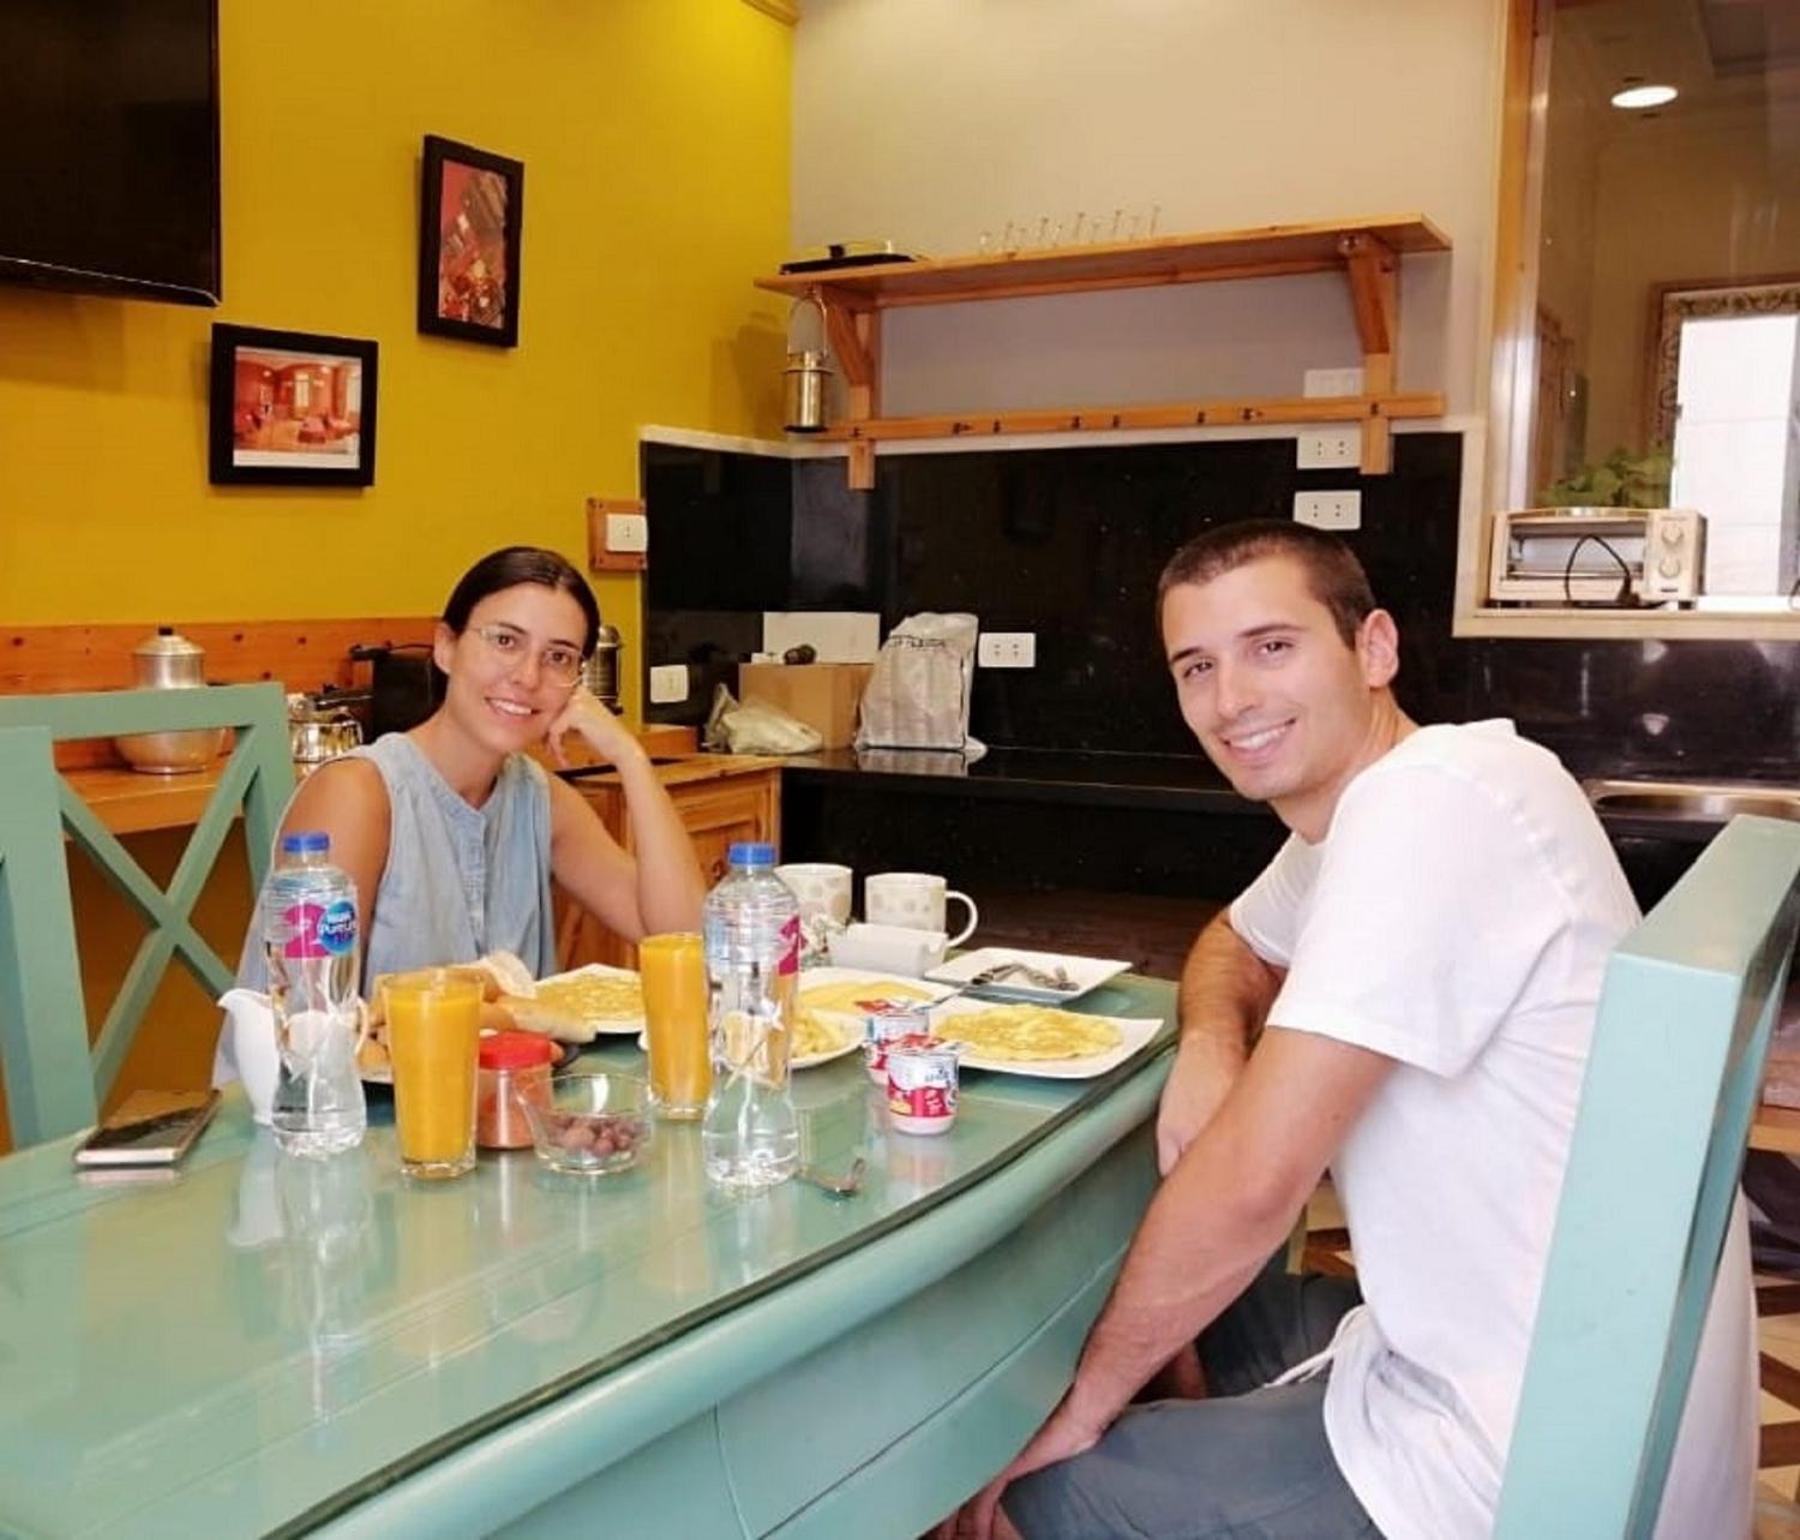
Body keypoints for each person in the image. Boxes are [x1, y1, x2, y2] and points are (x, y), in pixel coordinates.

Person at [945, 521, 1754, 1539]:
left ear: (1373, 648)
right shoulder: (1400, 795)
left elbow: (1255, 1186)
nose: (1231, 700)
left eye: (1271, 647)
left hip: (1525, 1462)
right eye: (1198, 667)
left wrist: (1081, 1413)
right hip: (1523, 1356)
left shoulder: (1430, 808)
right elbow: (1235, 941)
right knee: (1120, 1314)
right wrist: (1211, 1047)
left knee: (1017, 1486)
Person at [222, 545, 705, 1030]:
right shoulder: (357, 795)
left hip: (508, 1079)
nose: (527, 677)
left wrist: (630, 757)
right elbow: (305, 1028)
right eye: (505, 641)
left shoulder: (542, 799)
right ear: (446, 647)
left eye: (558, 657)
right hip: (363, 1080)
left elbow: (684, 944)